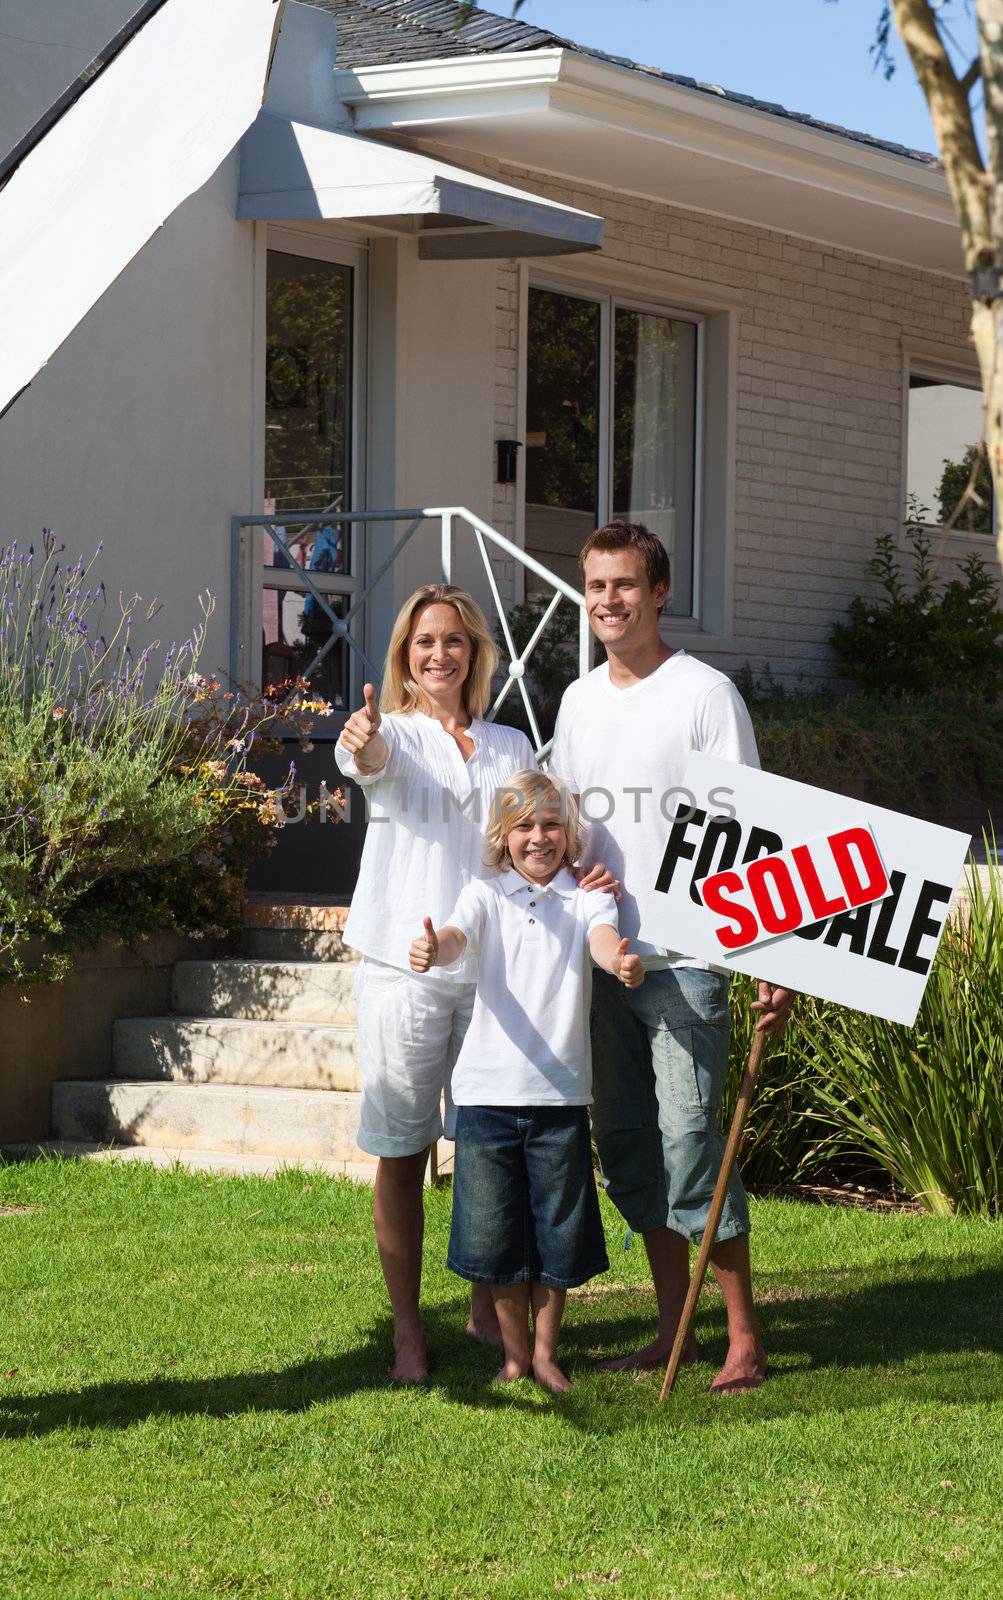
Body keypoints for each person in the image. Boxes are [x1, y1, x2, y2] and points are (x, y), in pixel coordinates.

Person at [335, 584, 609, 1382]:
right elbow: (367, 761)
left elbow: (537, 833)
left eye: (453, 640)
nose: (439, 654)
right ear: (403, 656)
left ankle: (486, 1306)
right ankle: (407, 1333)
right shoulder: (391, 734)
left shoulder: (509, 742)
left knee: (485, 1142)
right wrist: (364, 737)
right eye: (423, 642)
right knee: (402, 1146)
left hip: (490, 972)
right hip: (403, 966)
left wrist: (584, 869)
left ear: (475, 652)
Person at [551, 523, 794, 1394]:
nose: (607, 602)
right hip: (603, 955)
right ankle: (670, 1328)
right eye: (594, 587)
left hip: (688, 958)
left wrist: (772, 957)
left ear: (657, 594)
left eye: (623, 586)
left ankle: (741, 1336)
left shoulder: (704, 694)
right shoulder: (577, 702)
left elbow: (752, 831)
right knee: (626, 1145)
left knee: (694, 1143)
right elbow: (564, 817)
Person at [409, 770, 643, 1392]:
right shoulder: (483, 895)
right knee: (494, 1233)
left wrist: (618, 958)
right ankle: (513, 1354)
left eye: (551, 825)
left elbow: (599, 939)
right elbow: (459, 938)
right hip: (486, 1097)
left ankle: (545, 1354)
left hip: (560, 1098)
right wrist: (438, 948)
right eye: (524, 826)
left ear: (569, 837)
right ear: (502, 836)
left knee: (557, 1231)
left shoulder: (587, 898)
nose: (538, 837)